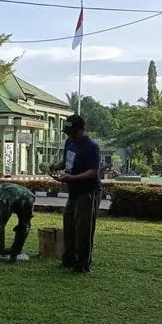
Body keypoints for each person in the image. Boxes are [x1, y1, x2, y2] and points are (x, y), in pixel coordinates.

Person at [48, 114, 101, 273]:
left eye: (73, 132)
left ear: (82, 130)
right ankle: (68, 260)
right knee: (69, 225)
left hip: (88, 192)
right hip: (73, 192)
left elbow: (93, 172)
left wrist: (72, 177)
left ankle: (82, 264)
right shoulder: (70, 142)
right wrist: (53, 166)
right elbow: (66, 162)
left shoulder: (91, 147)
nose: (70, 135)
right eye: (68, 132)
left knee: (83, 230)